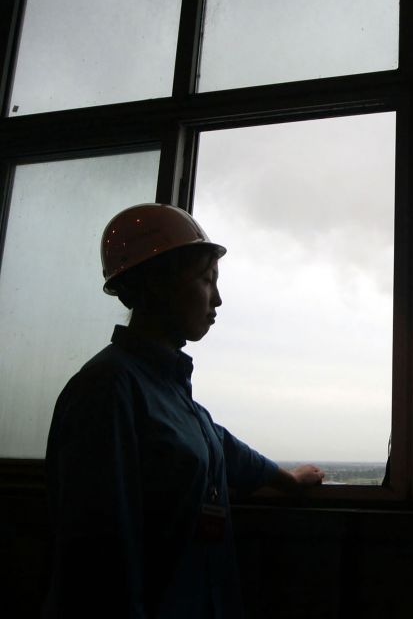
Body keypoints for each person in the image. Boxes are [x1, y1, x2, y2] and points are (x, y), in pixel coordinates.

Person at [43, 203, 324, 618]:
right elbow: (99, 558)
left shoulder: (166, 391)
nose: (218, 299)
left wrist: (289, 480)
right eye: (206, 279)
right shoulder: (106, 390)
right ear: (157, 283)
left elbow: (218, 445)